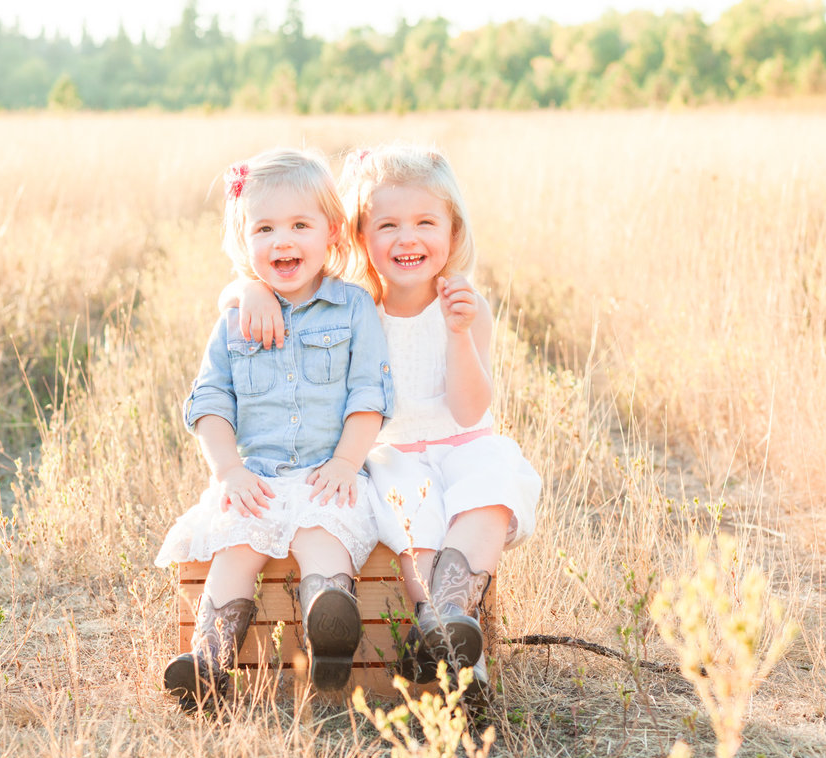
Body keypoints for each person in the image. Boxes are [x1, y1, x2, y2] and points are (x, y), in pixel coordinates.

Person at [228, 144, 541, 704]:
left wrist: (459, 333)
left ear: (453, 230)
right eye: (388, 225)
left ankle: (445, 618)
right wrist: (248, 289)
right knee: (412, 520)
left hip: (466, 442)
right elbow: (267, 289)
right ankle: (455, 659)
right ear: (358, 235)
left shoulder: (466, 306)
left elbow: (470, 410)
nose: (407, 238)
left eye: (425, 222)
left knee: (490, 494)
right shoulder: (353, 307)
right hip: (394, 454)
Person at [156, 147, 393, 711]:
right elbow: (211, 401)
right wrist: (229, 471)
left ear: (332, 233)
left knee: (324, 532)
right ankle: (209, 661)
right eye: (265, 228)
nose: (282, 241)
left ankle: (328, 630)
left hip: (324, 472)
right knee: (236, 547)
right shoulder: (235, 319)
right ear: (244, 240)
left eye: (299, 225)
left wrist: (343, 464)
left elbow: (370, 394)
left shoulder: (353, 308)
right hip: (256, 476)